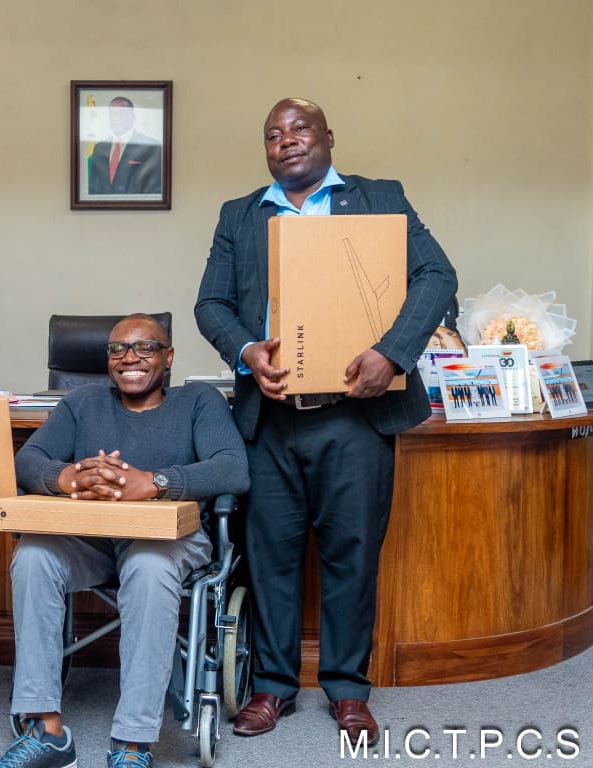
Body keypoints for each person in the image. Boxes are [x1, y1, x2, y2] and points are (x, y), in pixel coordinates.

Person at [194, 98, 457, 746]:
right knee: (269, 557)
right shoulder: (241, 215)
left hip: (355, 416)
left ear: (328, 137)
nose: (286, 141)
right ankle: (273, 687)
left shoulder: (379, 199)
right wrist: (247, 352)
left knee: (352, 556)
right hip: (272, 420)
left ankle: (346, 690)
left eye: (299, 129)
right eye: (273, 134)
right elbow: (210, 304)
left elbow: (436, 277)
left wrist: (391, 352)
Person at [0, 313, 249, 768]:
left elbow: (232, 469)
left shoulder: (199, 401)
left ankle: (131, 743)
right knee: (32, 554)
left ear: (168, 357)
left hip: (170, 543)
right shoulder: (82, 403)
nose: (129, 358)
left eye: (145, 347)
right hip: (92, 541)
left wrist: (156, 481)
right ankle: (47, 731)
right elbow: (27, 461)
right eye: (117, 349)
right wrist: (65, 475)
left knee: (147, 565)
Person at [88, 96, 163, 195]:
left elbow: (155, 189)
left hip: (138, 208)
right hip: (103, 209)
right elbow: (93, 188)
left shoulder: (152, 147)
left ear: (132, 117)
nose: (117, 118)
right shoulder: (99, 148)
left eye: (122, 113)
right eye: (113, 114)